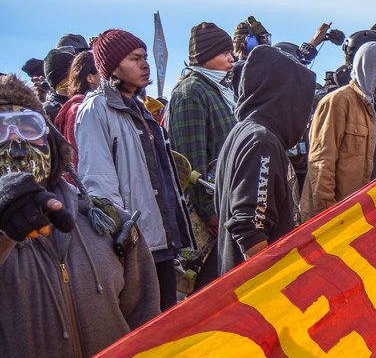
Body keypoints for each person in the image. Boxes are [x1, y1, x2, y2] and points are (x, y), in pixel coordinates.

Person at [0, 75, 157, 358]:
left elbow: (146, 319)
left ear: (51, 141)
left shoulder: (103, 220)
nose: (14, 143)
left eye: (27, 127)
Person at [75, 29, 194, 311]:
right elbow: (99, 183)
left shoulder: (139, 109)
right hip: (134, 246)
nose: (145, 64)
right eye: (134, 58)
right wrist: (122, 241)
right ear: (112, 66)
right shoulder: (97, 109)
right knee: (145, 333)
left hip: (158, 241)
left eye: (144, 57)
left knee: (165, 327)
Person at [215, 46, 315, 272]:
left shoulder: (244, 131)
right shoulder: (261, 141)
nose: (305, 115)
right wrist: (273, 282)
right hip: (256, 292)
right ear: (283, 96)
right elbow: (249, 227)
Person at [167, 22, 238, 290]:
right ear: (205, 56)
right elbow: (187, 161)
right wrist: (207, 211)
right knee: (209, 285)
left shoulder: (220, 89)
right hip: (209, 212)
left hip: (227, 201)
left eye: (230, 51)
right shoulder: (190, 93)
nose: (230, 58)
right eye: (223, 52)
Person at [300, 41, 376, 222]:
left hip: (365, 216)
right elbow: (321, 161)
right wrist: (327, 213)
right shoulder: (339, 101)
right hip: (336, 218)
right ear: (371, 70)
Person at [54, 50, 100, 162]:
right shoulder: (79, 109)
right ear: (90, 78)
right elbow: (76, 158)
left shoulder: (97, 106)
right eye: (101, 71)